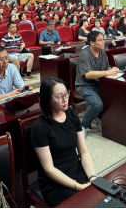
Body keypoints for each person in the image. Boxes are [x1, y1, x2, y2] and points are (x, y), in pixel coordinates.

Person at [31, 77, 96, 207]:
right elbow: (49, 169)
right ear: (48, 99)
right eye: (59, 97)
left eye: (66, 94)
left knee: (101, 196)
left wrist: (92, 177)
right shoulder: (40, 127)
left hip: (75, 170)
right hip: (54, 182)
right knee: (82, 204)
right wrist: (77, 186)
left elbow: (83, 152)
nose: (65, 99)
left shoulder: (71, 114)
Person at [75, 32, 119, 137]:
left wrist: (112, 69)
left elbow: (106, 67)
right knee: (97, 104)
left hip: (99, 84)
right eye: (100, 40)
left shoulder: (102, 53)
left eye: (103, 40)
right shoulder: (85, 54)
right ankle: (82, 127)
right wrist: (108, 72)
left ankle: (99, 117)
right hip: (84, 85)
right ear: (91, 42)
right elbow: (88, 75)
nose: (103, 42)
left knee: (116, 97)